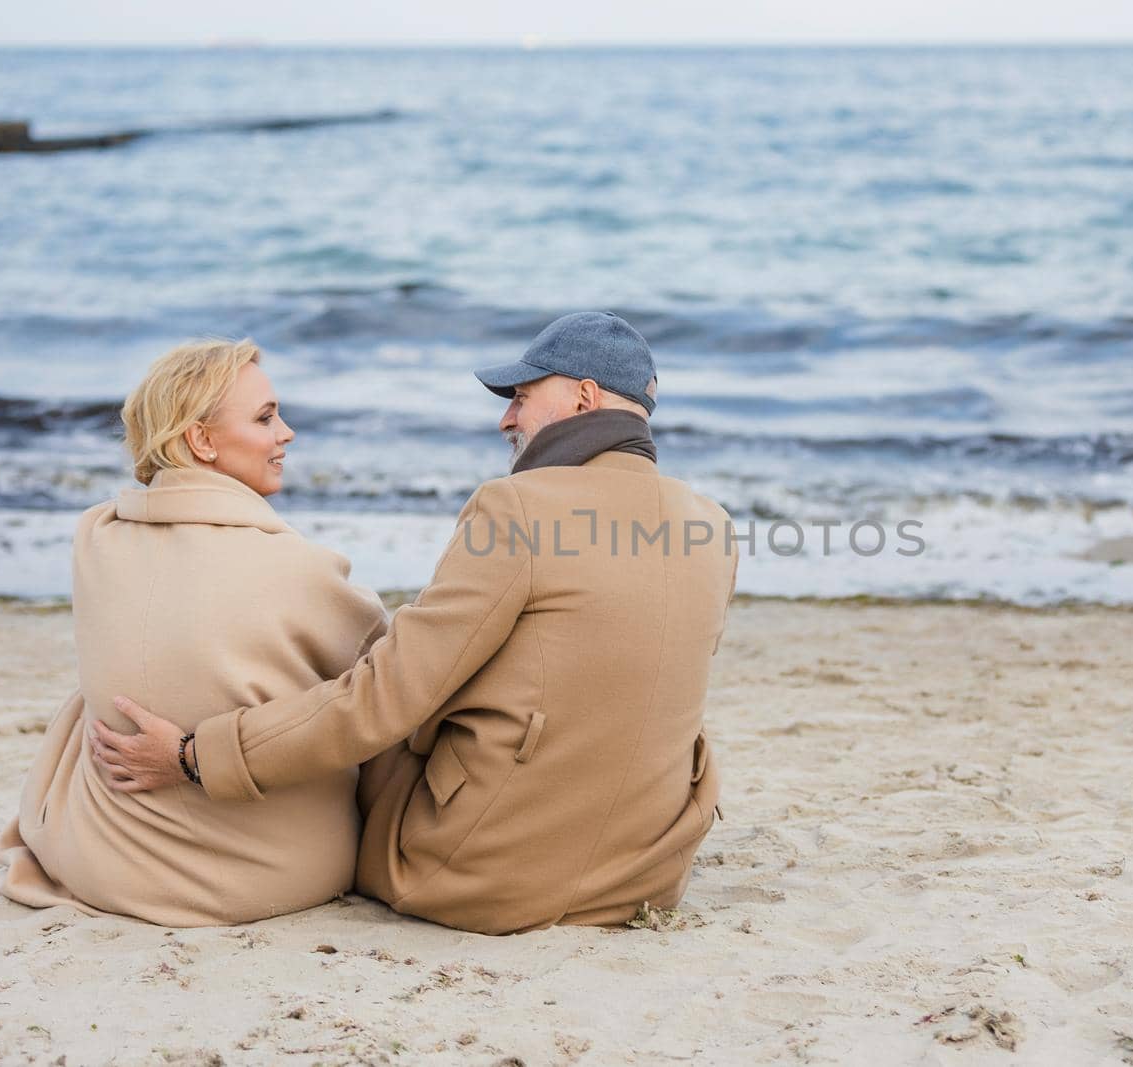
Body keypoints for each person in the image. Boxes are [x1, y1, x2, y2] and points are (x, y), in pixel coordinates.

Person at [91, 312, 736, 935]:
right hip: (645, 874)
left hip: (486, 877)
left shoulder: (516, 508)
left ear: (583, 398)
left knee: (362, 682)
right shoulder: (711, 524)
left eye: (521, 396)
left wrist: (196, 756)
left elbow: (384, 699)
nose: (507, 417)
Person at [0, 340, 387, 926]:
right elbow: (385, 688)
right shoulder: (303, 570)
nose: (288, 433)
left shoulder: (94, 537)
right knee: (374, 703)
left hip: (101, 862)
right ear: (201, 441)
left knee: (109, 683)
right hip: (271, 873)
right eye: (265, 417)